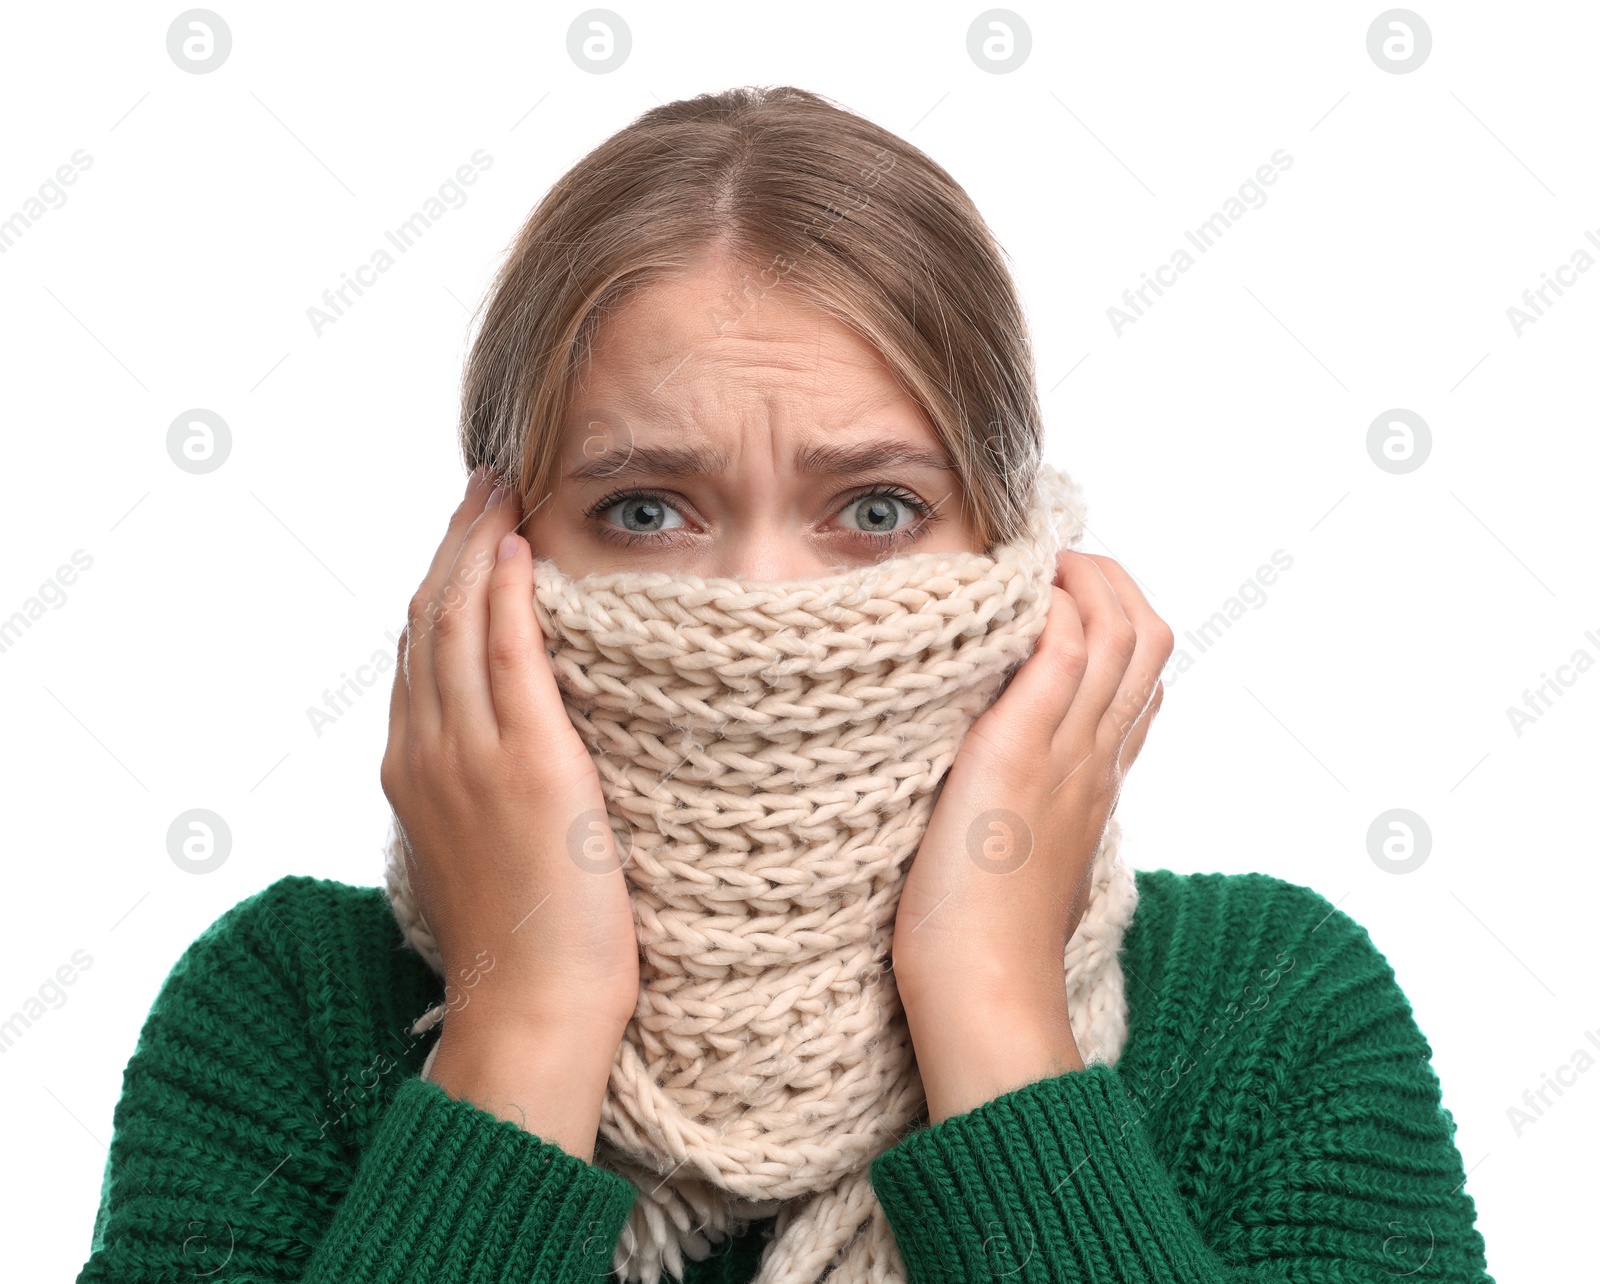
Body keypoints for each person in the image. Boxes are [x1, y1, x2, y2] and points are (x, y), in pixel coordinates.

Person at [78, 85, 1494, 1283]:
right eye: (645, 509)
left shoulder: (1272, 1014)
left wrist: (995, 1011)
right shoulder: (283, 1015)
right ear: (487, 563)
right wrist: (523, 1024)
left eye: (875, 510)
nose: (762, 607)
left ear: (1017, 547)